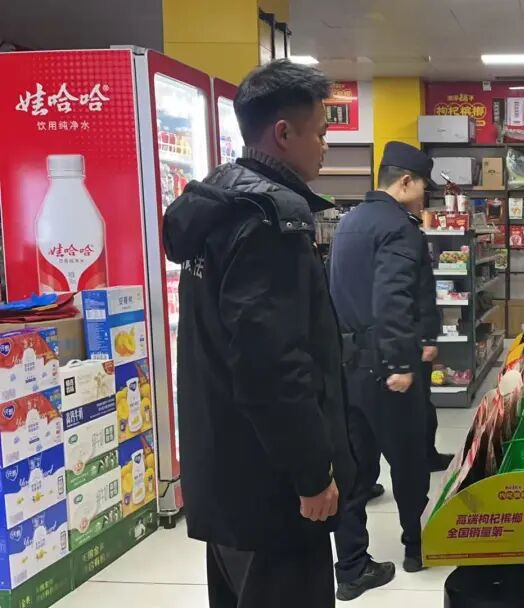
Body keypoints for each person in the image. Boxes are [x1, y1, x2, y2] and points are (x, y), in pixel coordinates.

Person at [161, 59, 391, 608]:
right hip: (271, 488)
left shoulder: (217, 202)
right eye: (321, 133)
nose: (326, 146)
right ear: (284, 134)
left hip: (224, 471)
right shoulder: (270, 222)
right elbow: (273, 367)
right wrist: (312, 475)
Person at [329, 141, 434, 582]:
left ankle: (352, 567)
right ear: (405, 182)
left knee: (353, 470)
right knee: (409, 462)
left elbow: (334, 292)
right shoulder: (399, 228)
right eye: (424, 186)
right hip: (386, 368)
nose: (426, 196)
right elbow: (392, 298)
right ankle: (415, 548)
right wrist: (400, 364)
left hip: (347, 367)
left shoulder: (348, 223)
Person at [417, 226, 455, 472]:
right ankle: (424, 461)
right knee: (419, 408)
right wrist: (428, 338)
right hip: (409, 346)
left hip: (360, 350)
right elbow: (421, 293)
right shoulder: (404, 233)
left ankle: (363, 484)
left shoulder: (347, 228)